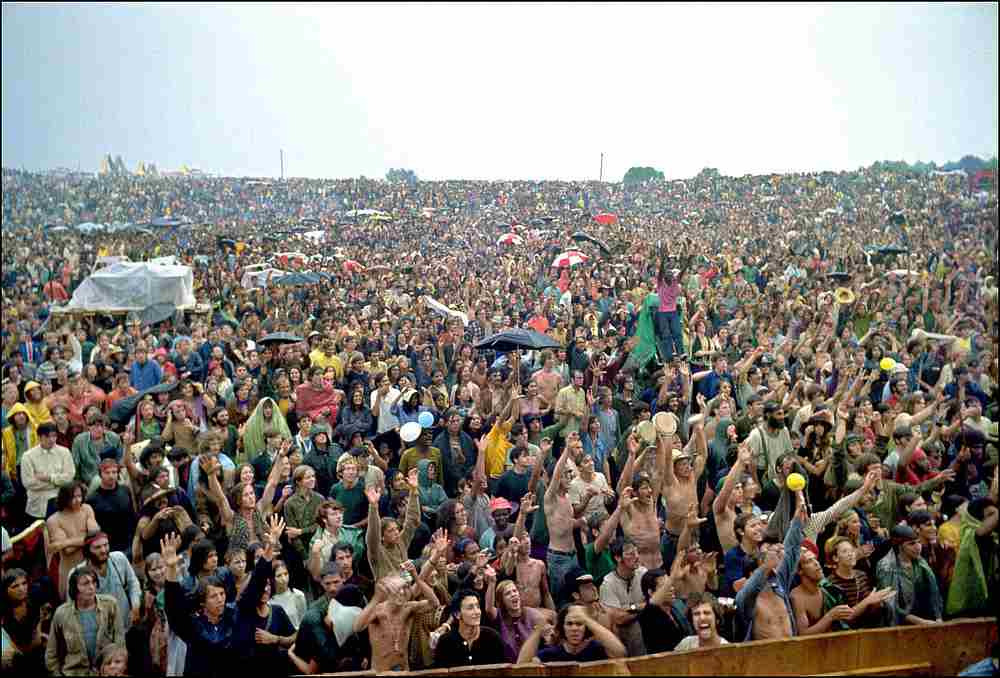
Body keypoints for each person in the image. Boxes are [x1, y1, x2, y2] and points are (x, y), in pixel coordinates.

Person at [735, 488, 806, 640]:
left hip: (791, 652)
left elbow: (791, 548)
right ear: (751, 574)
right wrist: (765, 567)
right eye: (765, 565)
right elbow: (749, 591)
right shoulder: (747, 600)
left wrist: (798, 519)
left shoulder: (778, 584)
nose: (772, 569)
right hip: (764, 659)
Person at [45, 565, 124, 676]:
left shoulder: (110, 605)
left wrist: (116, 669)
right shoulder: (62, 614)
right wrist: (57, 674)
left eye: (94, 582)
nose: (92, 587)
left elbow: (120, 642)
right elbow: (52, 653)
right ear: (75, 587)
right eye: (85, 584)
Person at [67, 531, 142, 632]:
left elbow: (133, 583)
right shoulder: (76, 573)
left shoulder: (119, 559)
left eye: (106, 545)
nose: (103, 550)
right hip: (97, 634)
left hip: (126, 626)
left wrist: (136, 606)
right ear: (87, 551)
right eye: (97, 547)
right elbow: (72, 608)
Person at [876, 524, 944, 626]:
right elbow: (890, 605)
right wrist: (921, 622)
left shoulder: (920, 562)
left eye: (919, 542)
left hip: (924, 618)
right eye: (911, 544)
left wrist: (938, 617)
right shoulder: (886, 567)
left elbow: (933, 593)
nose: (918, 547)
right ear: (899, 546)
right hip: (899, 624)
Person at [517, 603, 626, 663]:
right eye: (569, 624)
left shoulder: (597, 650)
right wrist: (538, 630)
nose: (574, 628)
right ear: (562, 627)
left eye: (579, 624)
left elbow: (620, 652)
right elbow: (521, 666)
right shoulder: (550, 654)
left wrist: (587, 620)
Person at [46, 481, 100, 600]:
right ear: (64, 498)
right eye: (73, 497)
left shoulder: (87, 509)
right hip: (69, 571)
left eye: (79, 496)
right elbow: (68, 550)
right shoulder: (54, 520)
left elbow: (95, 535)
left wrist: (65, 542)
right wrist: (86, 538)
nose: (78, 500)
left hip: (90, 567)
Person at [364, 468, 421, 580]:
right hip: (388, 595)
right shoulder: (376, 550)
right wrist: (373, 507)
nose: (396, 533)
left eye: (396, 529)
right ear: (382, 536)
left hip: (407, 591)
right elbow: (373, 534)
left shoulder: (400, 542)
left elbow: (412, 521)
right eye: (390, 531)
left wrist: (414, 491)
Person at [599, 538, 648, 657]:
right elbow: (618, 618)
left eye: (637, 552)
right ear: (618, 558)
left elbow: (654, 603)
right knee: (633, 628)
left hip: (645, 622)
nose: (637, 557)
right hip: (622, 631)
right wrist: (640, 606)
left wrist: (628, 608)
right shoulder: (608, 583)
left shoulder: (643, 573)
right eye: (631, 554)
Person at [433, 589, 505, 668]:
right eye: (470, 608)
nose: (477, 612)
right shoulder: (445, 642)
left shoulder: (493, 638)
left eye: (478, 606)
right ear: (457, 614)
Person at [19, 421, 75, 521]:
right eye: (47, 436)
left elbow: (69, 477)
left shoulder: (65, 452)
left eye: (54, 436)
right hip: (37, 506)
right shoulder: (28, 456)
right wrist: (57, 483)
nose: (51, 439)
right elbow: (28, 483)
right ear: (39, 437)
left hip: (60, 503)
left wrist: (49, 478)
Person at [638, 567, 693, 653]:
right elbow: (651, 603)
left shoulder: (676, 607)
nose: (671, 589)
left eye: (670, 584)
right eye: (665, 586)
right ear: (651, 593)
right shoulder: (648, 615)